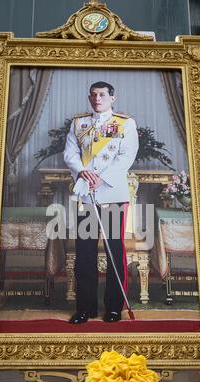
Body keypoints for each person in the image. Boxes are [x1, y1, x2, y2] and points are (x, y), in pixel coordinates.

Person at [64, 81, 139, 323]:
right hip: (86, 194)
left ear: (112, 98)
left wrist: (102, 177)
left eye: (103, 95)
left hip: (112, 194)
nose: (98, 99)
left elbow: (127, 155)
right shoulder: (79, 123)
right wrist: (82, 171)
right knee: (85, 251)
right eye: (94, 95)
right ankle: (85, 308)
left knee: (113, 249)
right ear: (89, 97)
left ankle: (114, 307)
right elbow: (70, 153)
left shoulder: (125, 123)